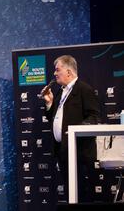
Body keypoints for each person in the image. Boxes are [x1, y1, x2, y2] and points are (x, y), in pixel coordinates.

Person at [41, 55, 100, 201]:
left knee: (82, 194)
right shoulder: (61, 91)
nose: (54, 74)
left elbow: (94, 117)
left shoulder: (84, 89)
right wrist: (49, 103)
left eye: (57, 70)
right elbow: (54, 118)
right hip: (63, 151)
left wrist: (75, 131)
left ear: (68, 72)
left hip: (79, 153)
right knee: (70, 194)